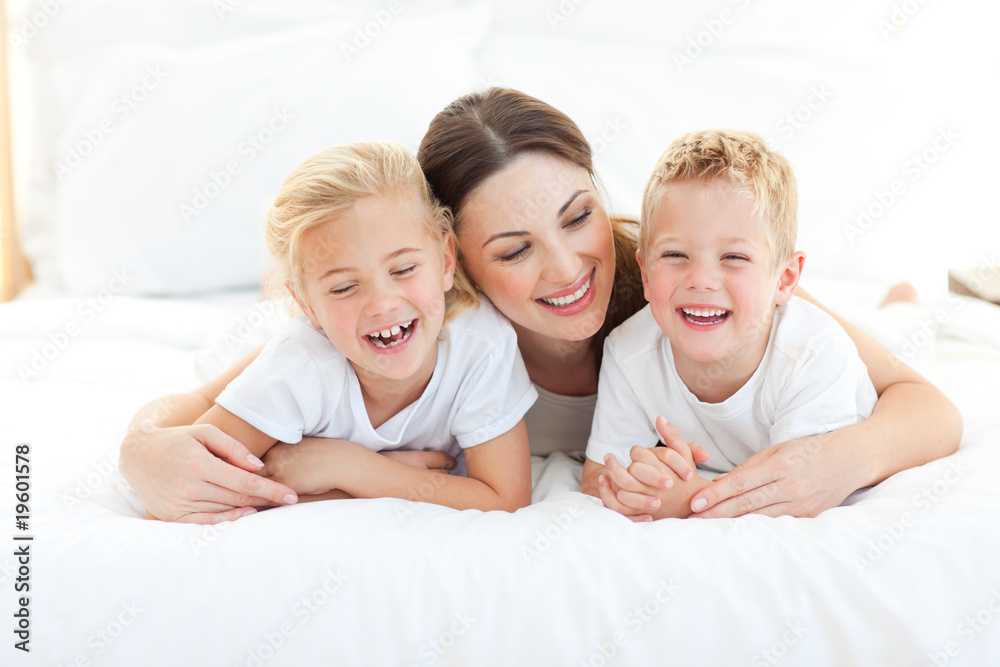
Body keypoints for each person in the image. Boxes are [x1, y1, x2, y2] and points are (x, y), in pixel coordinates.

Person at [119, 88, 961, 524]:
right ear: (457, 268)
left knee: (881, 323)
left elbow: (927, 406)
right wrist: (137, 449)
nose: (568, 268)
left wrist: (841, 460)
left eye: (577, 215)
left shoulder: (680, 282)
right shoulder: (418, 323)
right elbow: (178, 418)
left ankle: (894, 296)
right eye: (514, 250)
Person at [143, 141, 535, 519]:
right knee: (239, 376)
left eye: (403, 269)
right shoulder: (296, 367)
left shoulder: (481, 344)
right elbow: (188, 484)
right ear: (307, 304)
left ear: (446, 260)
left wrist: (354, 469)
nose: (383, 303)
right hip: (281, 345)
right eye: (345, 287)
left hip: (317, 342)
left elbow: (506, 499)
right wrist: (142, 443)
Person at [586, 129, 878, 520]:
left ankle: (900, 299)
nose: (701, 280)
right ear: (645, 275)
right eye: (675, 254)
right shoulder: (627, 350)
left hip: (858, 360)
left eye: (734, 257)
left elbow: (793, 495)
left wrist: (688, 499)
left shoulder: (816, 353)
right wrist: (646, 483)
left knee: (888, 325)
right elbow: (600, 476)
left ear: (786, 279)